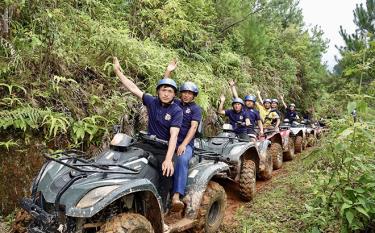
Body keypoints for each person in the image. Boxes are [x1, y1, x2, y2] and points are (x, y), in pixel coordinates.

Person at [113, 57, 183, 212]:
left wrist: (169, 159)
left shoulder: (176, 111)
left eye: (170, 91)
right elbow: (133, 88)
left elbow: (174, 137)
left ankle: (162, 208)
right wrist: (118, 72)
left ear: (174, 95)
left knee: (166, 173)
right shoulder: (152, 102)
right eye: (163, 90)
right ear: (158, 92)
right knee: (125, 152)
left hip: (164, 148)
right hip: (148, 142)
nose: (166, 93)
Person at [164, 59, 202, 211]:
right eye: (184, 92)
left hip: (185, 143)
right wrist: (168, 71)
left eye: (190, 93)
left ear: (194, 95)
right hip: (167, 140)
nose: (186, 95)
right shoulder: (175, 103)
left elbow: (193, 128)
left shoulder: (196, 109)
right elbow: (165, 88)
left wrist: (184, 145)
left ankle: (176, 196)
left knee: (181, 160)